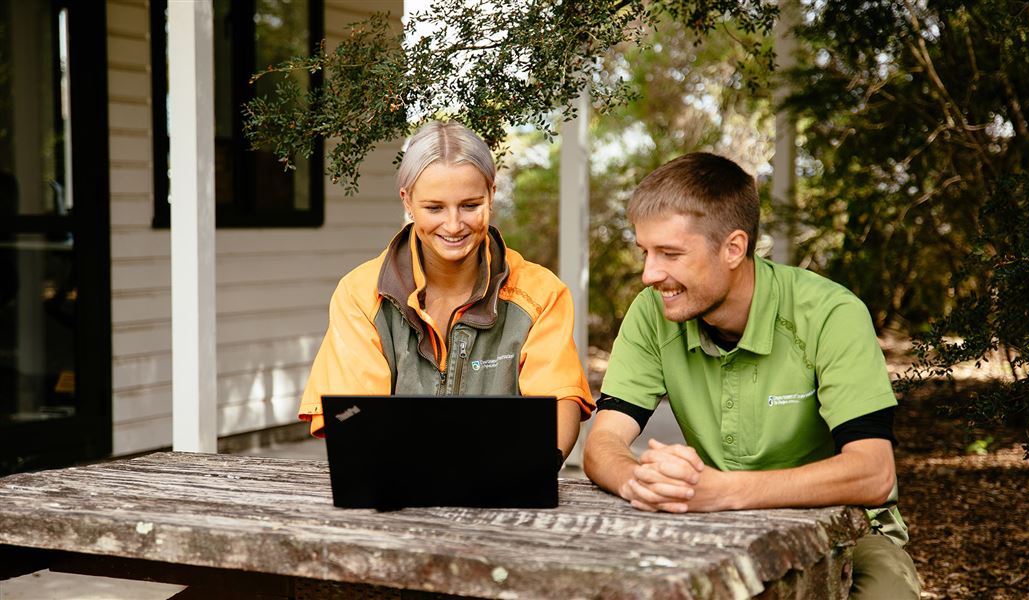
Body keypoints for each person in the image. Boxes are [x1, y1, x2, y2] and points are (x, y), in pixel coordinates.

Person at [583, 153, 921, 598]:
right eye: (645, 252)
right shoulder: (652, 314)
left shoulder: (831, 314)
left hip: (850, 532)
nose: (649, 274)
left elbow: (873, 474)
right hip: (718, 527)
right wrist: (642, 483)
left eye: (670, 254)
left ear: (733, 248)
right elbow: (602, 444)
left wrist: (722, 491)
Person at [299, 120, 593, 463]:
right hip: (393, 491)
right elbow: (351, 413)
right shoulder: (360, 294)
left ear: (491, 195)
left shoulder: (541, 294)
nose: (453, 226)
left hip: (505, 490)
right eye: (434, 208)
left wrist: (535, 471)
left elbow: (560, 402)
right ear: (407, 201)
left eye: (470, 205)